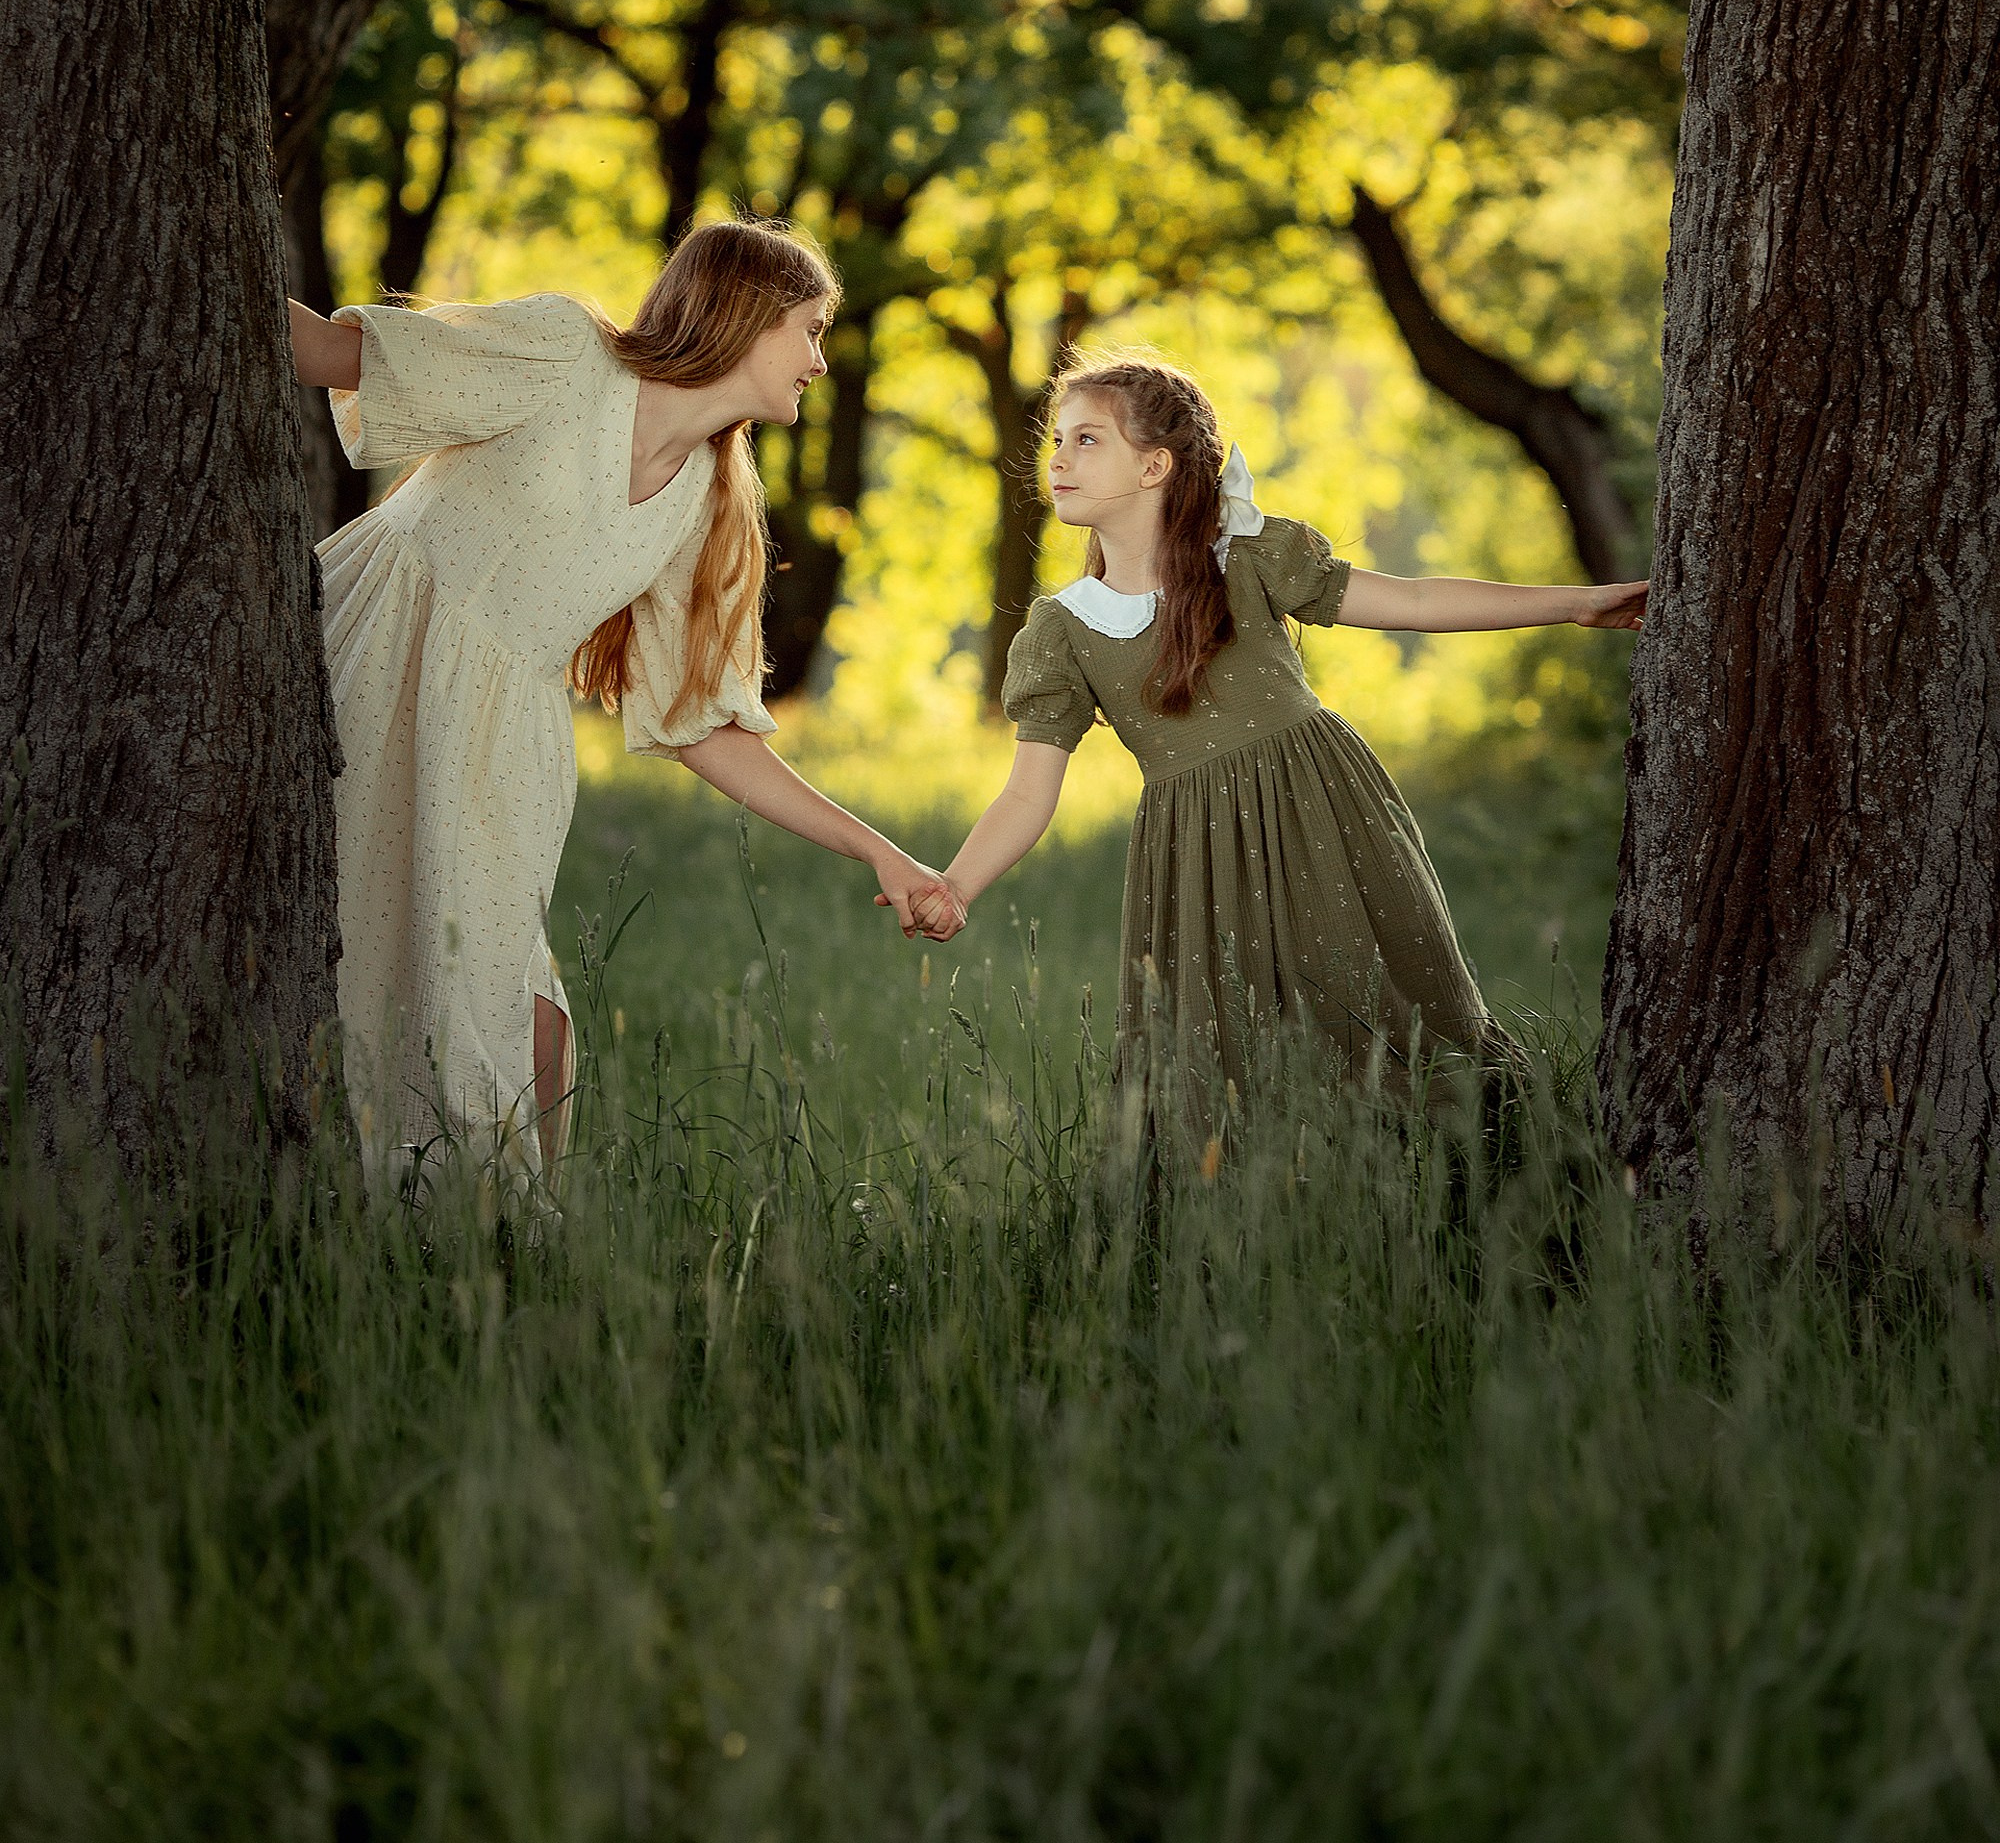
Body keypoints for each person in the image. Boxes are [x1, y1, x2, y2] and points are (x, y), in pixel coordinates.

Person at [290, 217, 962, 1189]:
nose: (820, 361)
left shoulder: (708, 497)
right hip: (382, 661)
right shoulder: (568, 352)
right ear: (745, 312)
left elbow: (706, 726)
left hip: (500, 751)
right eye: (810, 329)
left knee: (527, 1019)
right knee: (360, 957)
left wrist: (881, 853)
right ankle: (372, 1200)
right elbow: (325, 353)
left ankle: (500, 1240)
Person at [932, 355, 1647, 1119]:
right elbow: (1026, 794)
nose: (1058, 459)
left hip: (1326, 816)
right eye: (1056, 441)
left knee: (1383, 1007)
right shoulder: (1063, 629)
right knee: (1230, 1049)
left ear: (1153, 465)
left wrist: (1576, 603)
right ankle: (1267, 1182)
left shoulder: (1247, 556)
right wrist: (956, 885)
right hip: (1197, 855)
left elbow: (1414, 600)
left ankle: (1474, 1155)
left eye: (1086, 440)